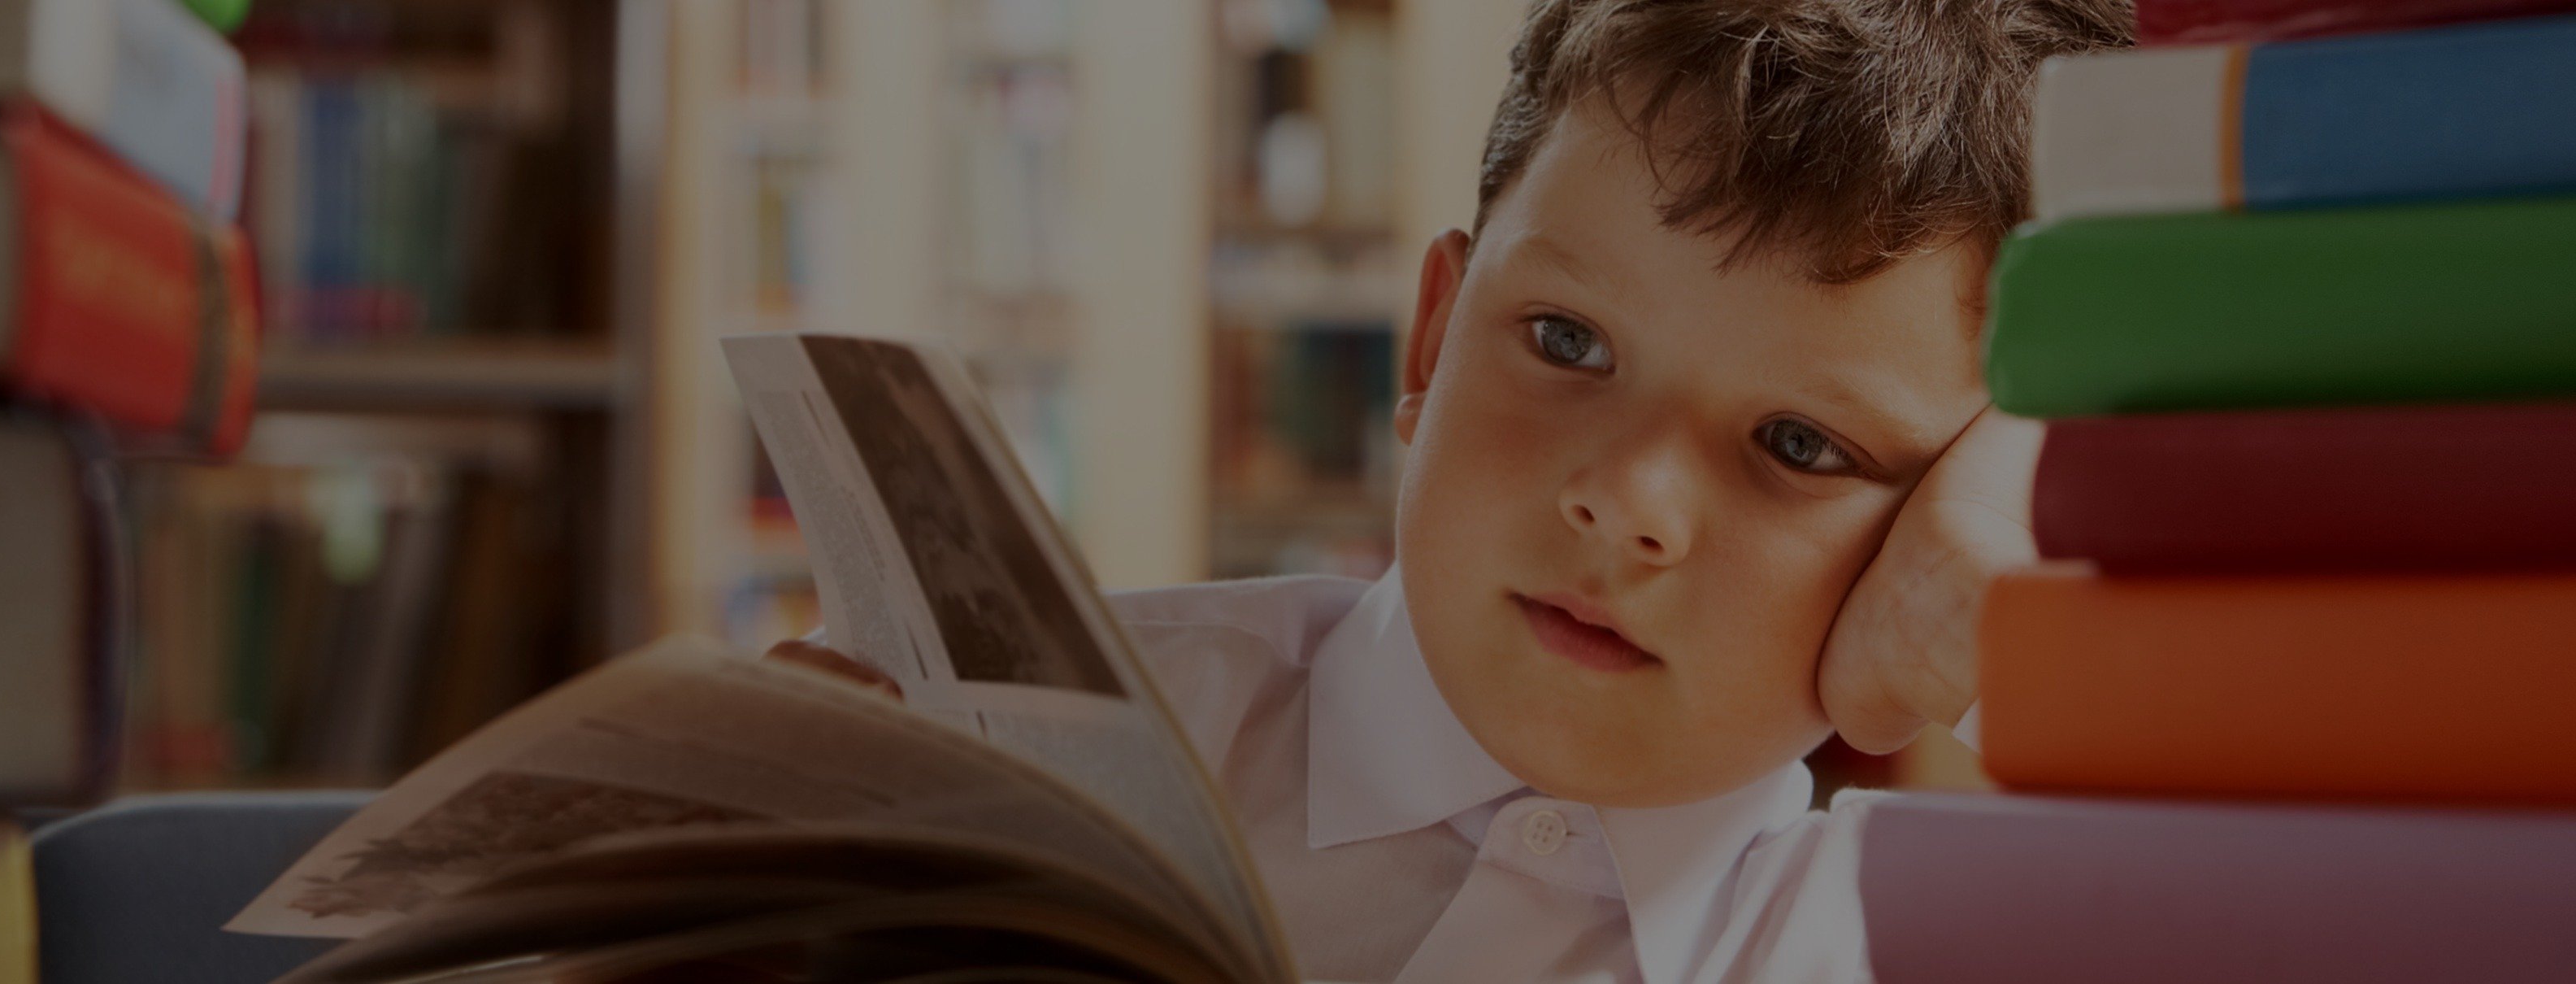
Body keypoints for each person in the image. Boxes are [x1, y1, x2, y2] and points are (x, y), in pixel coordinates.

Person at [781, 0, 2131, 978]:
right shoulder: (1024, 748)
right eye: (1567, 342)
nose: (1628, 501)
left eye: (1798, 445)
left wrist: (2005, 566)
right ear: (1431, 338)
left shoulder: (1901, 940)